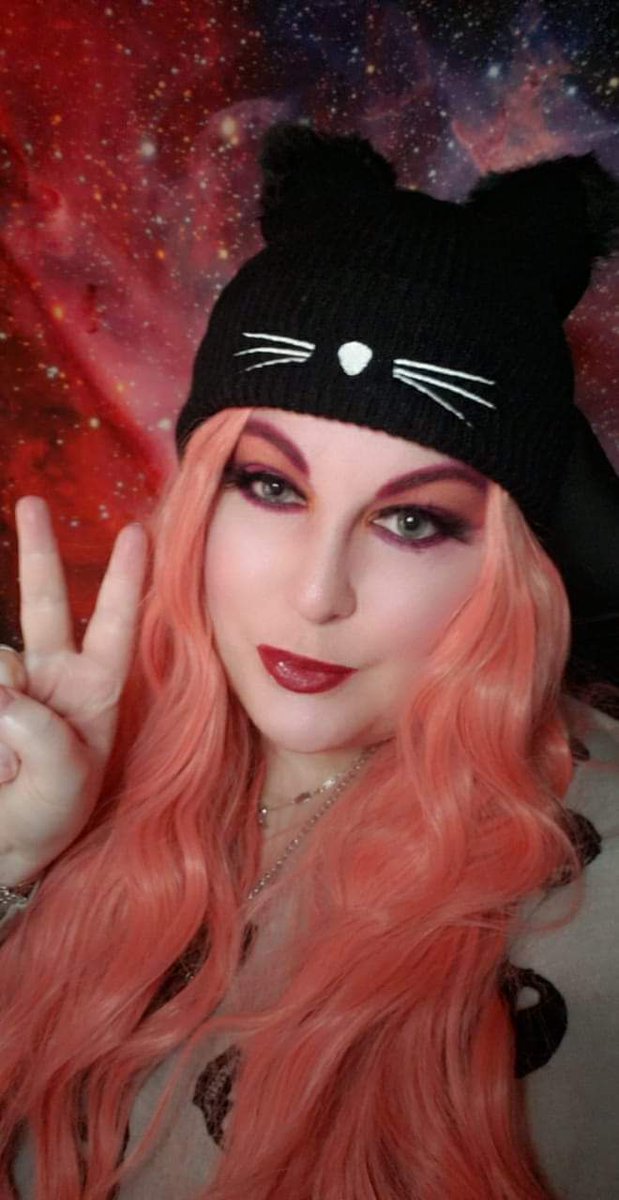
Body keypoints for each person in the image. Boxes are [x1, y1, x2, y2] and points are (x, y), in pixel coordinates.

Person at [0, 122, 618, 1200]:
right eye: (272, 487)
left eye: (413, 521)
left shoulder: (592, 887)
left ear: (511, 564)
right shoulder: (82, 759)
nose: (316, 594)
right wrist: (17, 866)